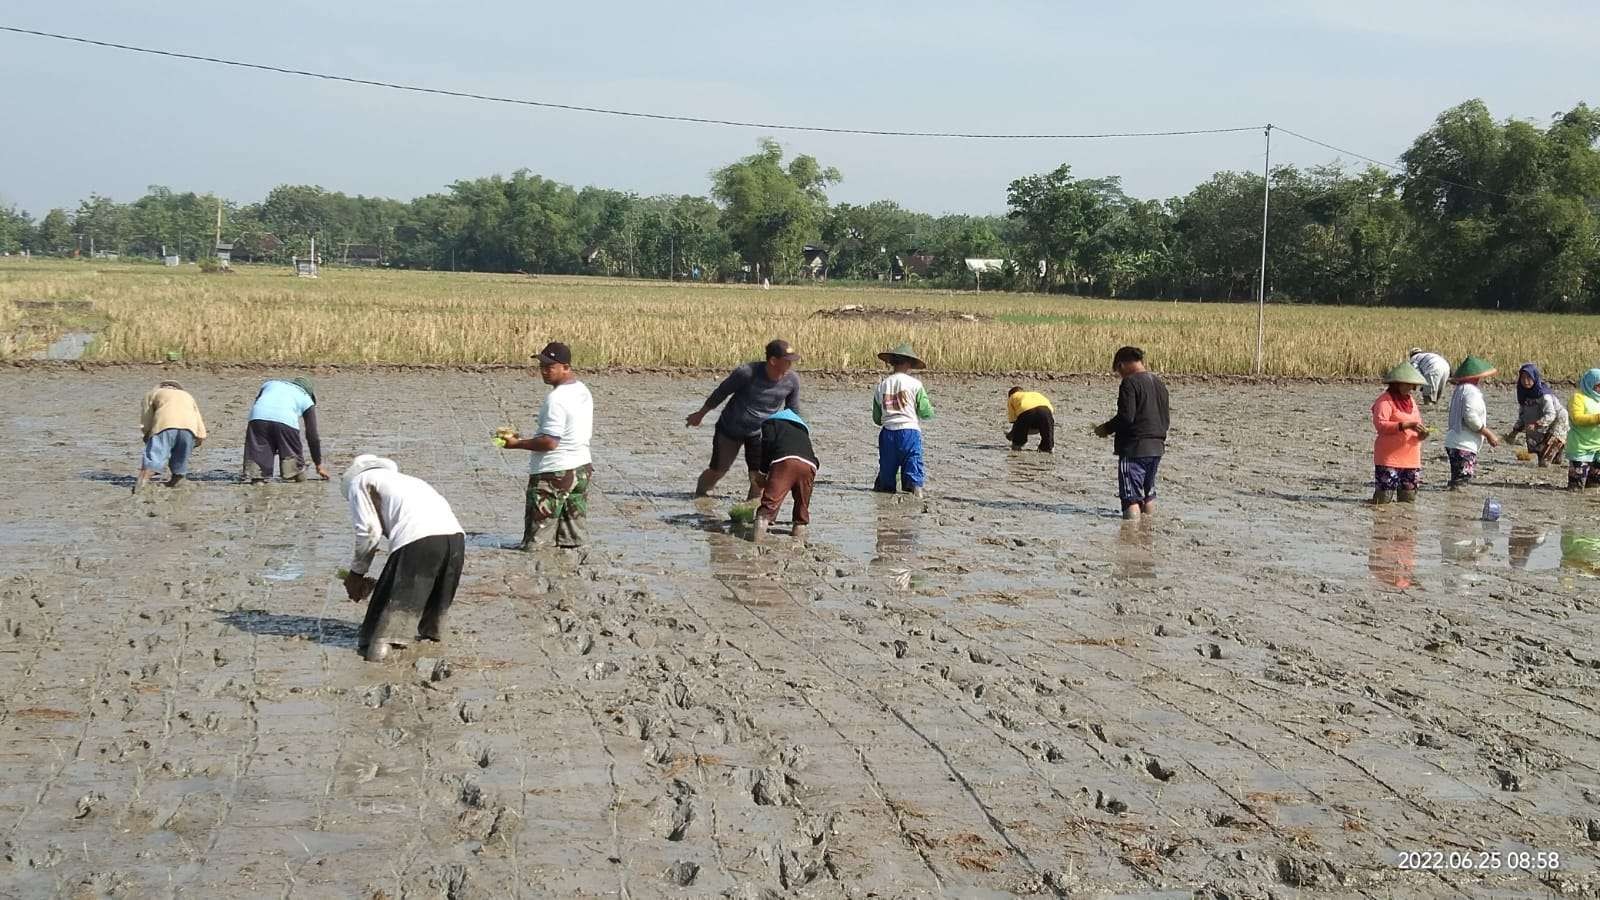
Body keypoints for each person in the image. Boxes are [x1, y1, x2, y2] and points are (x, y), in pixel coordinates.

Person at [339, 455, 465, 662]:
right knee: (434, 625)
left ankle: (374, 672)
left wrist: (356, 574)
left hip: (417, 539)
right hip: (456, 540)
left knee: (381, 632)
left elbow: (369, 532)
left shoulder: (360, 482)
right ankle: (436, 664)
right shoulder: (409, 482)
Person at [500, 342, 594, 549]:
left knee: (537, 544)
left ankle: (541, 576)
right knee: (573, 541)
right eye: (541, 366)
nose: (544, 371)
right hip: (581, 470)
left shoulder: (556, 399)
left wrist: (516, 443)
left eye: (550, 367)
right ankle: (572, 575)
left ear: (566, 367)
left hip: (554, 473)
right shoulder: (582, 390)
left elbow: (551, 442)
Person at [687, 340, 801, 499]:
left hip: (760, 434)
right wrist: (700, 414)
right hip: (731, 429)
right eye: (787, 361)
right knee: (719, 469)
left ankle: (750, 510)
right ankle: (701, 496)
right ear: (773, 361)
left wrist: (795, 437)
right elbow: (721, 393)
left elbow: (792, 411)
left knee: (759, 477)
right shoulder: (747, 373)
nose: (791, 365)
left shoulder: (792, 381)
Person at [1094, 346, 1170, 520]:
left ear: (1121, 365)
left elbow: (1126, 417)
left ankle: (1131, 537)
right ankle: (1147, 531)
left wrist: (1105, 428)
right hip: (1157, 447)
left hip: (1135, 448)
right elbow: (1165, 417)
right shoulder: (1159, 383)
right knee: (1148, 493)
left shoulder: (1130, 383)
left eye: (1118, 371)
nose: (1120, 376)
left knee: (1130, 498)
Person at [872, 343, 934, 497]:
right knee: (913, 464)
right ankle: (916, 492)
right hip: (909, 432)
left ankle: (885, 496)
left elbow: (877, 419)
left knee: (887, 469)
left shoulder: (881, 386)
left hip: (888, 434)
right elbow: (926, 412)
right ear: (909, 363)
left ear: (892, 363)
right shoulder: (915, 385)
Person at [243, 376, 328, 483]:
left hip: (257, 418)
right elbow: (312, 435)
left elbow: (259, 402)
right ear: (309, 392)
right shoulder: (306, 398)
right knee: (296, 473)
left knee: (258, 465)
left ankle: (257, 476)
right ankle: (293, 474)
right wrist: (318, 464)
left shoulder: (270, 384)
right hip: (286, 421)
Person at [753, 409, 818, 543]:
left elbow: (767, 446)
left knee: (766, 510)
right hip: (809, 465)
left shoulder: (771, 424)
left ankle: (755, 546)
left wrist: (762, 472)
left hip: (785, 462)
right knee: (801, 514)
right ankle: (797, 547)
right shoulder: (802, 430)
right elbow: (812, 456)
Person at [1371, 362, 1429, 504]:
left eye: (1411, 385)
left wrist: (1423, 434)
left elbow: (1417, 425)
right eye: (1406, 384)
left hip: (1411, 458)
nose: (1410, 388)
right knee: (1383, 500)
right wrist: (1405, 425)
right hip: (1389, 458)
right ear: (1396, 383)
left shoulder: (1411, 401)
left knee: (1408, 501)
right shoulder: (1385, 401)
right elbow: (1381, 425)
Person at [137, 380, 207, 493]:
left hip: (165, 425)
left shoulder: (153, 393)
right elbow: (197, 417)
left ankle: (142, 484)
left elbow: (147, 415)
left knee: (155, 457)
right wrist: (200, 437)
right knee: (180, 460)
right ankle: (177, 481)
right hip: (189, 428)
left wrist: (147, 433)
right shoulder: (187, 396)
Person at [1443, 356, 1500, 489]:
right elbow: (1471, 418)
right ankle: (1459, 507)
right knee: (1462, 482)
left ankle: (1454, 506)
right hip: (1464, 444)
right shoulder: (1471, 392)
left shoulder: (1460, 390)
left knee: (1457, 480)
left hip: (1454, 442)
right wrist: (1488, 434)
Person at [1507, 363, 1569, 467]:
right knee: (1542, 453)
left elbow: (1551, 414)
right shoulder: (1523, 395)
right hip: (1542, 422)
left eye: (1529, 378)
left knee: (1544, 463)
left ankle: (1558, 445)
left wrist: (1536, 424)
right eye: (1523, 378)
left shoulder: (1544, 396)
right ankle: (1556, 453)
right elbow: (1523, 416)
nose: (1526, 381)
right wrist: (1515, 430)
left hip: (1557, 421)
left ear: (1535, 378)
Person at [1565, 369, 1600, 492]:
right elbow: (1577, 418)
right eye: (1598, 385)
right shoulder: (1578, 398)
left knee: (1594, 489)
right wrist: (1598, 418)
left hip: (1598, 449)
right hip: (1580, 448)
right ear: (1590, 384)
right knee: (1575, 489)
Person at [1006, 386, 1055, 452]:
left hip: (1026, 411)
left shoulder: (1012, 397)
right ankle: (1047, 447)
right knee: (1047, 432)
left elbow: (1014, 421)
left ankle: (1017, 446)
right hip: (1046, 411)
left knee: (1019, 432)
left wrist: (1011, 435)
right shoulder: (1035, 394)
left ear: (1010, 395)